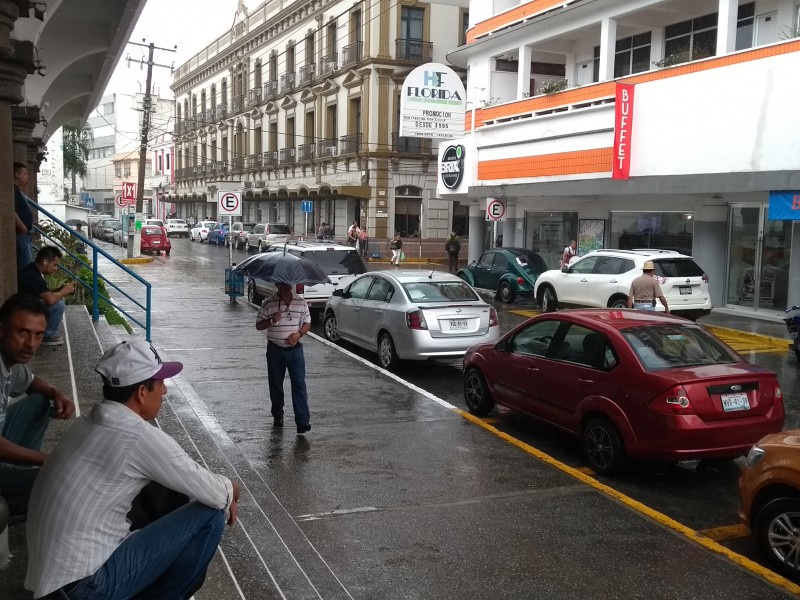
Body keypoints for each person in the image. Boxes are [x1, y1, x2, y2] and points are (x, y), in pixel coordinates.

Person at [25, 339, 240, 600]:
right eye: (160, 383)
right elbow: (217, 495)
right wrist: (232, 488)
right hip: (83, 589)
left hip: (51, 585)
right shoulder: (137, 436)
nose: (165, 391)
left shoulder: (88, 421)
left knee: (162, 483)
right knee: (210, 514)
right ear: (141, 392)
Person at [0, 294, 75, 515]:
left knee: (40, 401)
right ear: (1, 330)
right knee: (62, 476)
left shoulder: (10, 362)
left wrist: (57, 393)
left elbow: (32, 382)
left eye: (38, 335)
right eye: (22, 332)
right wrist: (46, 460)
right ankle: (13, 493)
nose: (31, 344)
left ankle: (14, 477)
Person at [256, 282, 312, 434]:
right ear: (276, 284)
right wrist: (272, 320)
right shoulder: (269, 303)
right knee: (276, 385)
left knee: (299, 385)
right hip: (275, 351)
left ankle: (302, 421)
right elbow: (259, 325)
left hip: (295, 352)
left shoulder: (301, 302)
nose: (285, 286)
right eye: (282, 283)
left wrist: (299, 334)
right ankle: (278, 415)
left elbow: (307, 323)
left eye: (287, 283)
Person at [17, 246, 75, 346]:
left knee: (57, 298)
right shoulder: (33, 275)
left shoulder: (33, 270)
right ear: (45, 262)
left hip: (26, 307)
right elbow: (50, 300)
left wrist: (59, 289)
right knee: (58, 303)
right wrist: (64, 291)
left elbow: (43, 291)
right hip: (23, 313)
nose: (56, 268)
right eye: (55, 265)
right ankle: (45, 336)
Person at [14, 162, 35, 269]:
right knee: (25, 265)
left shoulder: (18, 190)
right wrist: (22, 226)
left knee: (27, 263)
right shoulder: (12, 191)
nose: (28, 176)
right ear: (17, 175)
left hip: (26, 234)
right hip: (21, 234)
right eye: (25, 173)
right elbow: (10, 210)